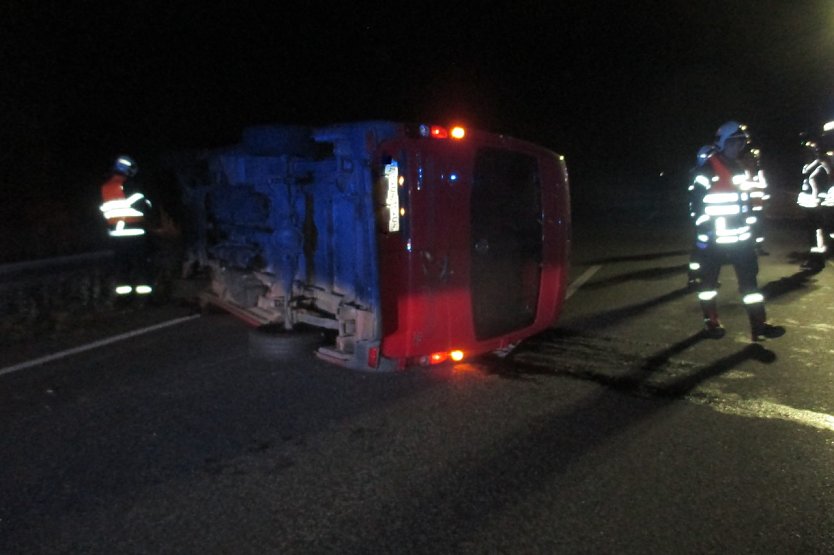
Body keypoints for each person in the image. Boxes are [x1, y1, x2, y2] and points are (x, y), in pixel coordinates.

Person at [689, 121, 784, 341]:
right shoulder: (706, 170)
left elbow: (744, 203)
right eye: (734, 142)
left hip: (741, 239)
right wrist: (704, 235)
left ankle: (759, 325)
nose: (738, 147)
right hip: (715, 241)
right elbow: (696, 207)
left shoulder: (738, 168)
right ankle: (711, 321)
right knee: (709, 285)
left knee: (750, 284)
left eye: (741, 142)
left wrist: (751, 227)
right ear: (723, 143)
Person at [99, 155, 155, 299]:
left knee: (122, 265)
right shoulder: (129, 185)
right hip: (135, 231)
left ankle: (123, 298)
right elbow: (144, 206)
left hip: (115, 234)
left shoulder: (105, 187)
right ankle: (145, 296)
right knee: (140, 264)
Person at [796, 127, 834, 272]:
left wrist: (821, 197)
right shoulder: (816, 161)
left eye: (814, 146)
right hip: (813, 201)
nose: (812, 148)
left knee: (818, 230)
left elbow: (828, 179)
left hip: (818, 202)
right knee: (814, 230)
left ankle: (817, 259)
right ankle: (817, 257)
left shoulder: (824, 161)